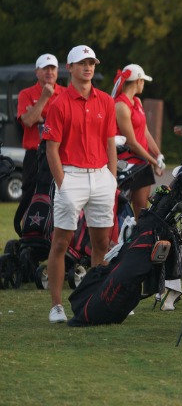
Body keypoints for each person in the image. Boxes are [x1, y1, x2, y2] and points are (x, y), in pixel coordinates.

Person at [42, 45, 118, 323]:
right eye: (82, 63)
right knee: (61, 242)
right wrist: (62, 184)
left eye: (91, 63)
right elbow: (52, 149)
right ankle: (57, 306)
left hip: (101, 177)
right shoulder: (59, 104)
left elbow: (110, 142)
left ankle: (96, 299)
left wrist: (111, 178)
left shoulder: (106, 102)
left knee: (102, 242)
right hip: (71, 176)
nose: (88, 67)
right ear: (70, 68)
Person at [14, 54, 65, 231]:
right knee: (29, 196)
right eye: (45, 68)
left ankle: (55, 238)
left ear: (58, 71)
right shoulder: (26, 94)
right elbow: (28, 121)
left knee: (60, 197)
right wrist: (44, 98)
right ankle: (27, 238)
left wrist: (40, 115)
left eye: (52, 68)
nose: (49, 72)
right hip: (34, 154)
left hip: (59, 154)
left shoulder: (66, 93)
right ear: (37, 72)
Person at [112, 64, 164, 219]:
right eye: (143, 81)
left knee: (142, 210)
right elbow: (132, 142)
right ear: (137, 81)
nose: (143, 84)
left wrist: (158, 154)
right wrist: (153, 161)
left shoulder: (137, 101)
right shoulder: (121, 105)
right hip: (126, 164)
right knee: (122, 212)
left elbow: (145, 131)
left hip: (142, 162)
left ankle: (138, 241)